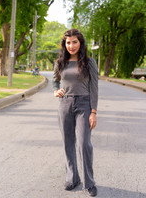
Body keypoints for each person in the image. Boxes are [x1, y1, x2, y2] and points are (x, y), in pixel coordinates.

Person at [52, 29, 98, 197]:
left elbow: (94, 88)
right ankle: (72, 178)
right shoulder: (60, 63)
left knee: (84, 143)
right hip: (65, 104)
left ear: (80, 43)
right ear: (65, 44)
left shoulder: (89, 62)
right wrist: (55, 91)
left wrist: (93, 112)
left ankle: (89, 182)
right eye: (68, 42)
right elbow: (55, 81)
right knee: (67, 142)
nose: (71, 45)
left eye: (74, 42)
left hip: (84, 104)